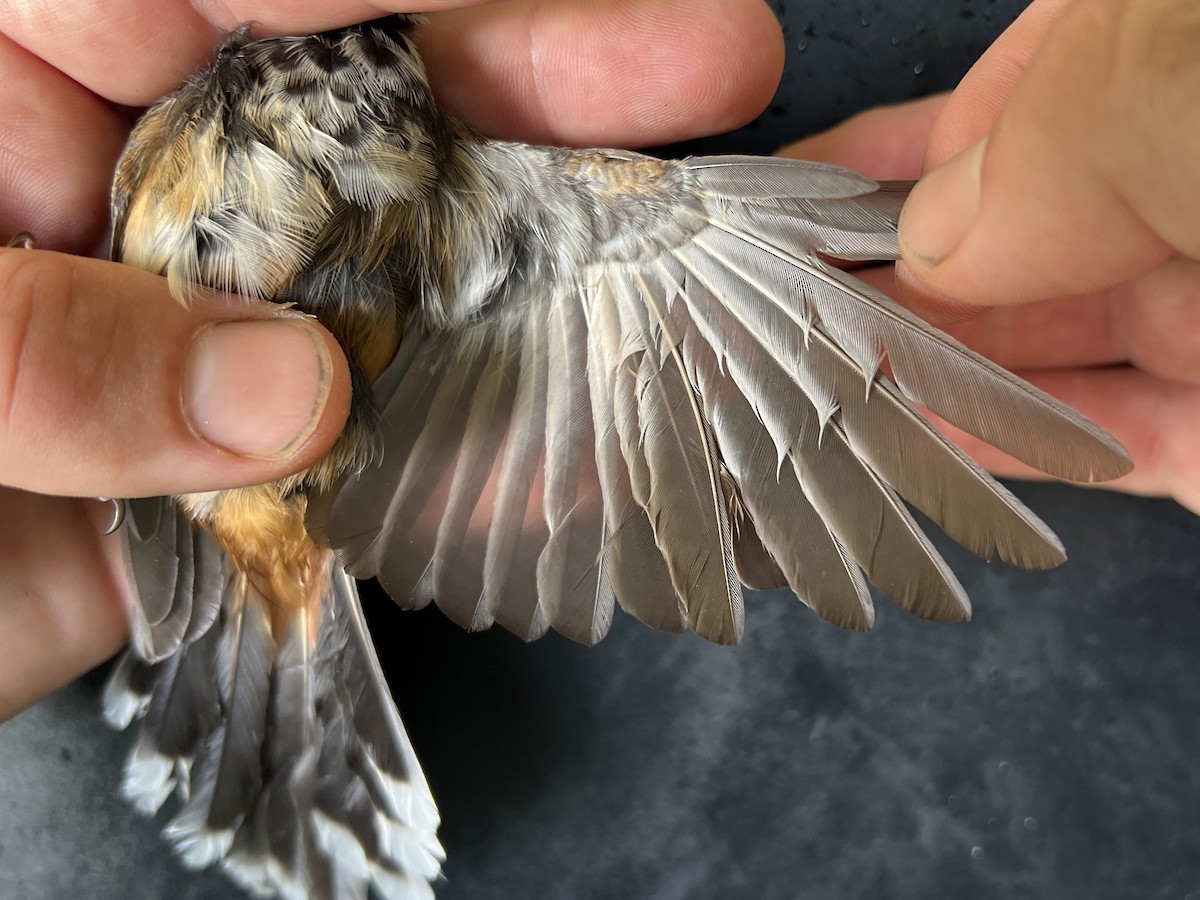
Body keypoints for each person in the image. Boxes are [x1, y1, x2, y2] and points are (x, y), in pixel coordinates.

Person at [0, 0, 1193, 719]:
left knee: (660, 211)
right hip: (183, 489)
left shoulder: (457, 191)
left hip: (276, 478)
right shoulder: (177, 107)